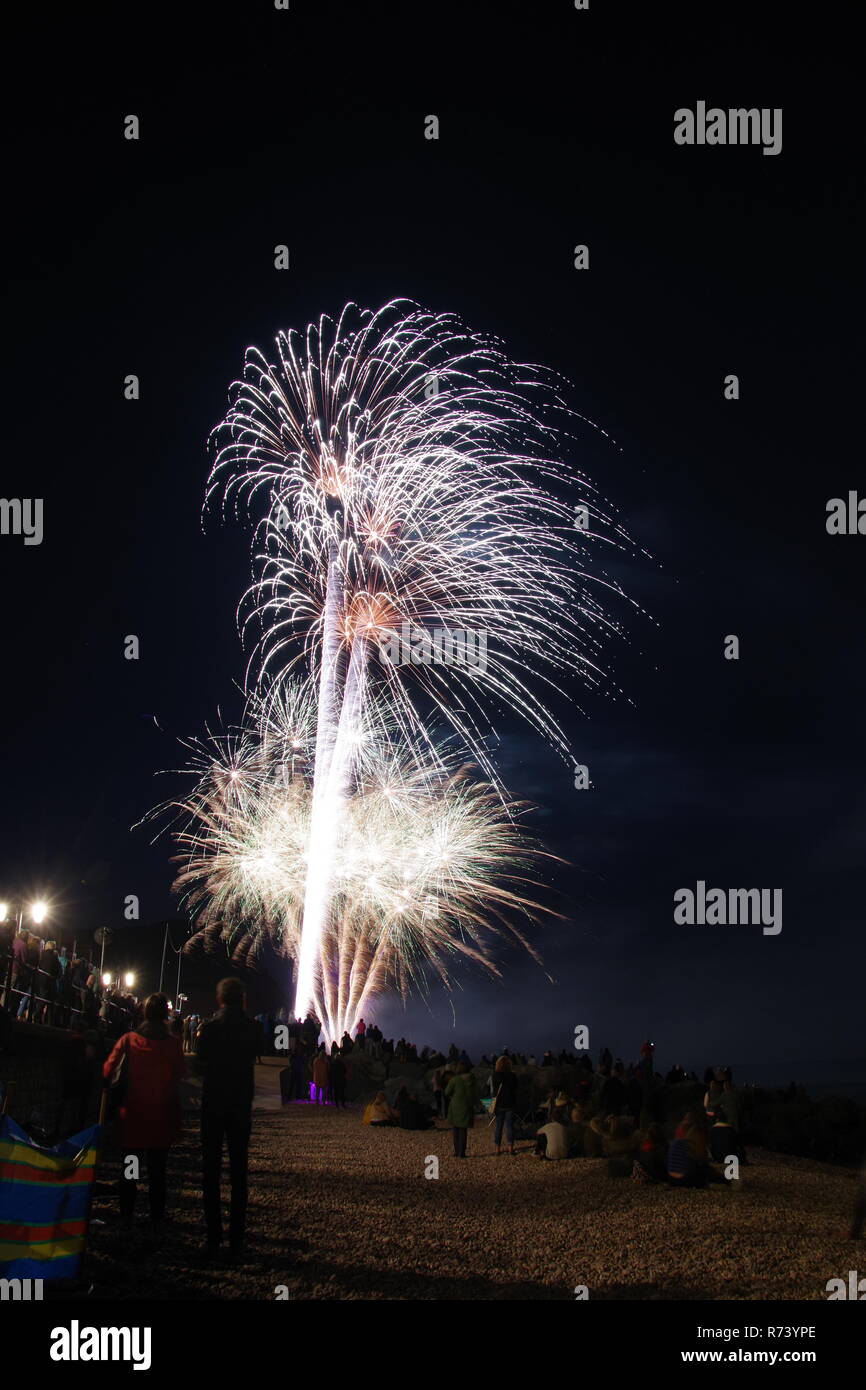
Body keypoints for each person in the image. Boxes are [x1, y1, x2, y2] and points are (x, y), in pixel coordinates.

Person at [102, 992, 186, 1235]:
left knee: (131, 1169)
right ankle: (156, 1219)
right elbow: (180, 1072)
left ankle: (127, 1215)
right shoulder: (172, 1044)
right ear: (166, 1015)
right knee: (158, 1173)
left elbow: (108, 1070)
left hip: (133, 1121)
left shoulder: (129, 1040)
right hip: (161, 1121)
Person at [195, 978, 260, 1259]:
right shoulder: (253, 1029)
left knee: (210, 1172)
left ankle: (212, 1237)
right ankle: (236, 1239)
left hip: (213, 1105)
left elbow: (200, 1063)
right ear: (242, 1000)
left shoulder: (209, 1029)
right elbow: (262, 1050)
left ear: (220, 999)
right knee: (239, 1174)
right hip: (240, 1106)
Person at [445, 1060, 479, 1158]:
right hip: (467, 1107)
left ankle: (457, 1151)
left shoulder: (455, 1080)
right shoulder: (472, 1079)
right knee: (463, 1130)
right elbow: (476, 1093)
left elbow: (447, 1092)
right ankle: (462, 1153)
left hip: (456, 1107)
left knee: (456, 1129)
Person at [492, 1054, 518, 1155]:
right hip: (510, 1103)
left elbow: (494, 1090)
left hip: (499, 1104)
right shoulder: (513, 1075)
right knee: (509, 1127)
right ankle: (510, 1148)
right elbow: (516, 1088)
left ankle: (497, 1149)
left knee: (499, 1126)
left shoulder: (495, 1075)